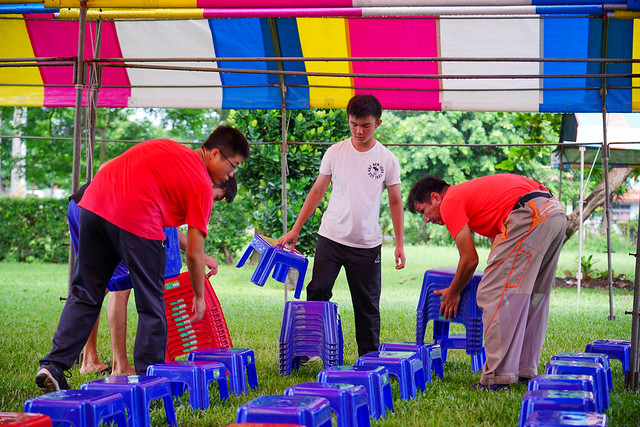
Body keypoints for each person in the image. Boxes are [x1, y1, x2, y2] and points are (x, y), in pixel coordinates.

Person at [36, 126, 250, 392]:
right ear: (215, 153)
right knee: (151, 302)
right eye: (233, 166)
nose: (232, 174)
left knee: (86, 293)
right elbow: (195, 255)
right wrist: (198, 296)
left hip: (92, 204)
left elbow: (111, 166)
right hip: (136, 217)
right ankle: (150, 380)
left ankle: (54, 365)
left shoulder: (166, 146)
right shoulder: (201, 185)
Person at [407, 173, 566, 390]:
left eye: (423, 211)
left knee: (492, 292)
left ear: (436, 197)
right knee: (532, 295)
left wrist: (454, 291)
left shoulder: (450, 201)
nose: (426, 219)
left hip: (530, 213)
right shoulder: (474, 197)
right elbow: (500, 249)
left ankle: (498, 377)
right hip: (554, 212)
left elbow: (470, 259)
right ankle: (524, 369)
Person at [278, 94, 406, 358]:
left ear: (378, 124)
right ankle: (309, 348)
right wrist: (295, 229)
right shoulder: (335, 152)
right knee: (317, 290)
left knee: (367, 305)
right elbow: (317, 191)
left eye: (366, 125)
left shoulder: (387, 159)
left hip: (367, 245)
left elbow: (395, 202)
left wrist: (400, 245)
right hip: (331, 237)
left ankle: (368, 358)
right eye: (353, 124)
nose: (359, 131)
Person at [72, 177, 238, 376]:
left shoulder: (176, 177)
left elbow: (167, 226)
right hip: (106, 207)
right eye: (216, 198)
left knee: (95, 284)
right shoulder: (184, 183)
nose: (210, 204)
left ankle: (89, 359)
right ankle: (120, 366)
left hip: (82, 204)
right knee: (122, 285)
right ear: (212, 182)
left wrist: (201, 256)